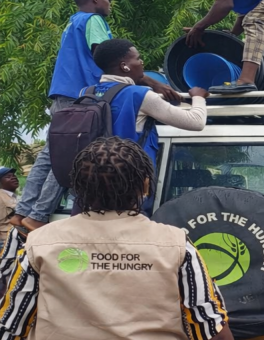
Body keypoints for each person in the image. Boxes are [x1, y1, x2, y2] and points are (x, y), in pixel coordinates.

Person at [0, 137, 251, 340]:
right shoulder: (176, 244)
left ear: (78, 187)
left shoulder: (38, 244)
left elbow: (11, 327)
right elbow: (212, 332)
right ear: (145, 185)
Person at [10, 0, 176, 233]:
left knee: (51, 154)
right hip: (82, 95)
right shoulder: (93, 20)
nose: (110, 4)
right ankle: (39, 214)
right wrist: (151, 82)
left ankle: (23, 211)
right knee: (70, 153)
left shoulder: (73, 21)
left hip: (64, 95)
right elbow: (107, 56)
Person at [70, 39, 209, 216]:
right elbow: (195, 121)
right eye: (137, 58)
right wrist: (198, 97)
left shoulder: (86, 93)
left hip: (92, 185)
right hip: (129, 186)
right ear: (124, 66)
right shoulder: (140, 95)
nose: (141, 62)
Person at [0, 169, 17, 242]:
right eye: (8, 176)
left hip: (15, 237)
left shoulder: (11, 196)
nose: (13, 177)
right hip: (6, 240)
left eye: (13, 175)